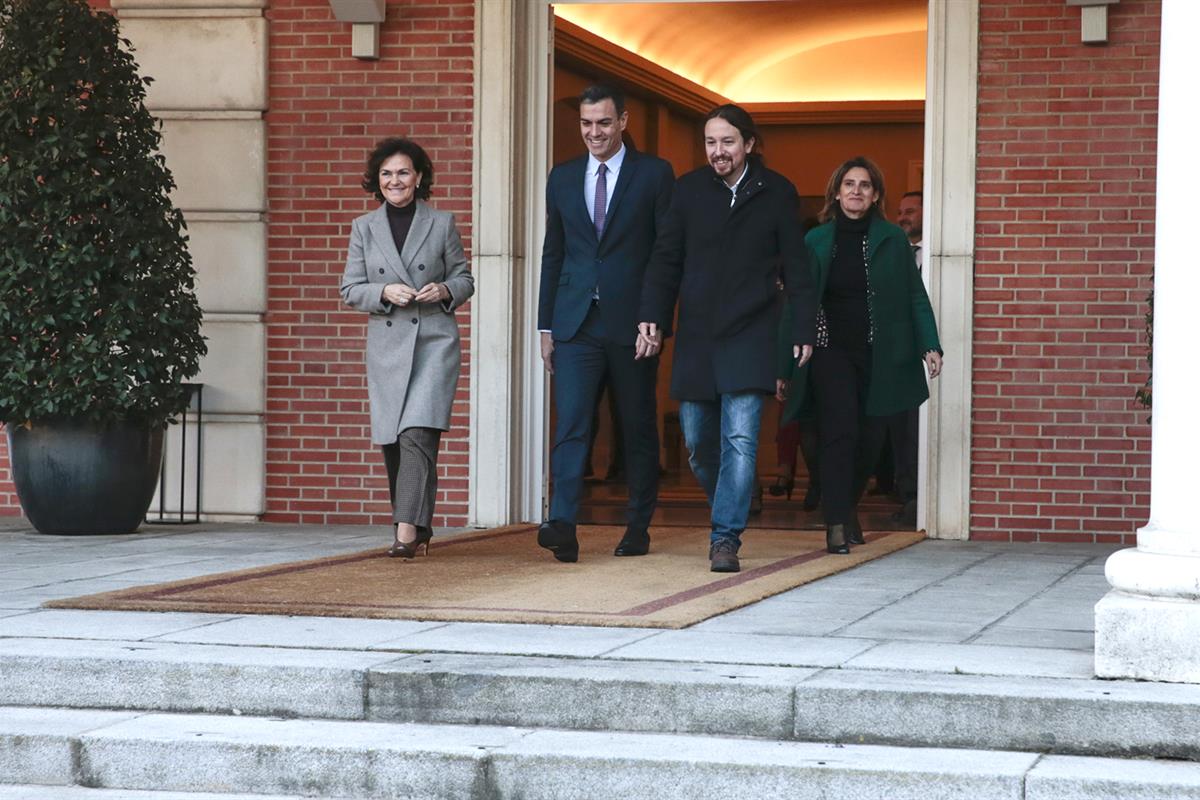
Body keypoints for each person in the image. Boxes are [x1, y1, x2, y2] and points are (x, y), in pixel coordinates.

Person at [637, 104, 816, 574]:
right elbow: (666, 257)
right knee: (698, 443)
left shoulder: (777, 192)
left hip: (752, 330)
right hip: (698, 335)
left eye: (728, 142)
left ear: (749, 144)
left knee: (741, 439)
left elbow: (797, 268)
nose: (718, 151)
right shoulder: (689, 189)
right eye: (711, 142)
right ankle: (734, 495)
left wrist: (802, 328)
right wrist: (652, 314)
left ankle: (725, 537)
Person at [536, 84, 675, 563]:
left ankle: (638, 526)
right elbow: (554, 252)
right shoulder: (563, 175)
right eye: (586, 124)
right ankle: (564, 526)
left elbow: (664, 253)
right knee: (572, 424)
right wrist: (545, 326)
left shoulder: (655, 174)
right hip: (576, 322)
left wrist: (653, 317)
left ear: (623, 122)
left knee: (635, 426)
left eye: (603, 123)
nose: (593, 132)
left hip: (633, 323)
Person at [340, 138, 475, 559]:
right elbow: (350, 288)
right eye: (386, 174)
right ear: (376, 181)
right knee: (395, 441)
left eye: (402, 172)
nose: (394, 180)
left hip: (434, 342)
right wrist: (383, 290)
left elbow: (465, 278)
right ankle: (420, 523)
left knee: (418, 431)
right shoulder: (364, 228)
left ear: (418, 177)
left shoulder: (441, 223)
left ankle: (403, 532)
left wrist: (445, 289)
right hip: (388, 347)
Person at [803, 157, 941, 554]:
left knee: (871, 436)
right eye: (849, 183)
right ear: (837, 191)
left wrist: (929, 343)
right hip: (830, 350)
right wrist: (788, 356)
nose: (856, 191)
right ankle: (835, 521)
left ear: (876, 194)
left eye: (865, 185)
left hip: (880, 351)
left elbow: (915, 294)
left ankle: (847, 506)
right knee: (839, 431)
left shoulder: (891, 239)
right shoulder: (816, 240)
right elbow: (801, 301)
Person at [889, 189, 925, 524]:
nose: (903, 217)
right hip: (896, 357)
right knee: (900, 431)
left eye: (911, 210)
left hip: (927, 355)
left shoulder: (935, 256)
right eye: (901, 211)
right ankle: (907, 495)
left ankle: (920, 498)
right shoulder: (895, 252)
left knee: (918, 429)